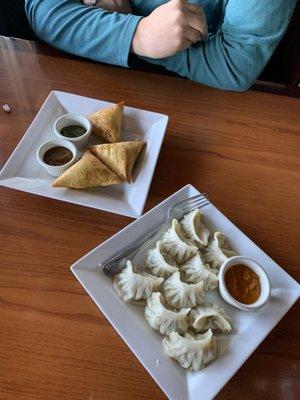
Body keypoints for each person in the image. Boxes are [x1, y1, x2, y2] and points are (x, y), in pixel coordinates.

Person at [25, 0, 297, 91]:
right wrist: (138, 35)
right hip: (89, 82)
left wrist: (127, 28)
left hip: (204, 106)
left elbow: (234, 65)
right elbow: (45, 10)